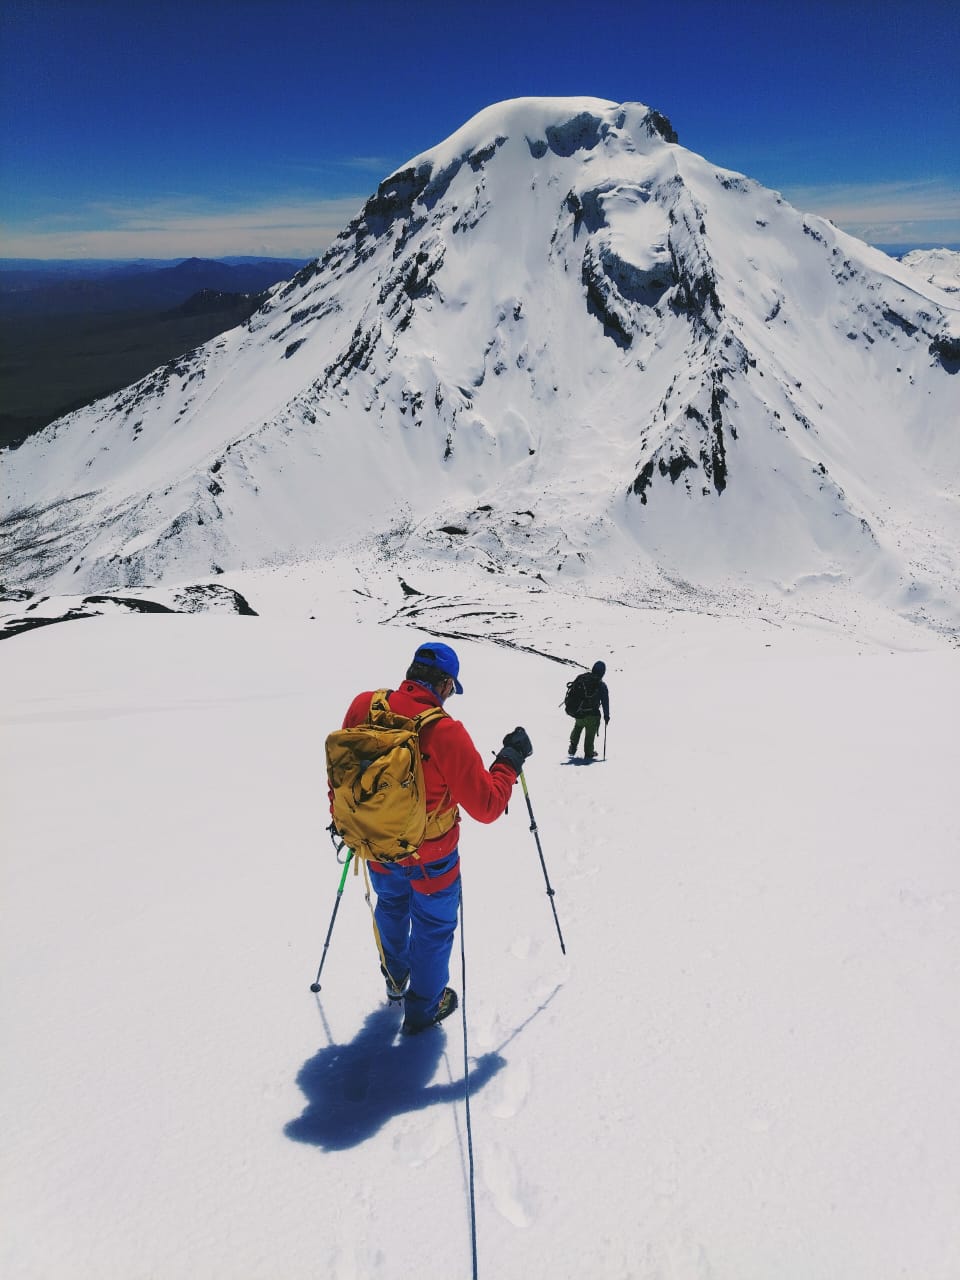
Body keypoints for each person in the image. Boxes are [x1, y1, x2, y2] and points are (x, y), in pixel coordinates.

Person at [337, 642, 532, 1034]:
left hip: (378, 845)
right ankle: (423, 1009)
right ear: (444, 685)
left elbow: (341, 772)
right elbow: (487, 806)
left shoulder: (363, 706)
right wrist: (509, 762)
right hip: (432, 857)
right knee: (433, 928)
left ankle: (395, 980)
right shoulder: (445, 733)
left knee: (391, 906)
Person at [568, 660, 610, 760]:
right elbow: (605, 702)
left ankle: (572, 746)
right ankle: (588, 752)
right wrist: (606, 715)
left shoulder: (582, 679)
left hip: (579, 713)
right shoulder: (601, 685)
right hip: (592, 715)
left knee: (577, 727)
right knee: (590, 736)